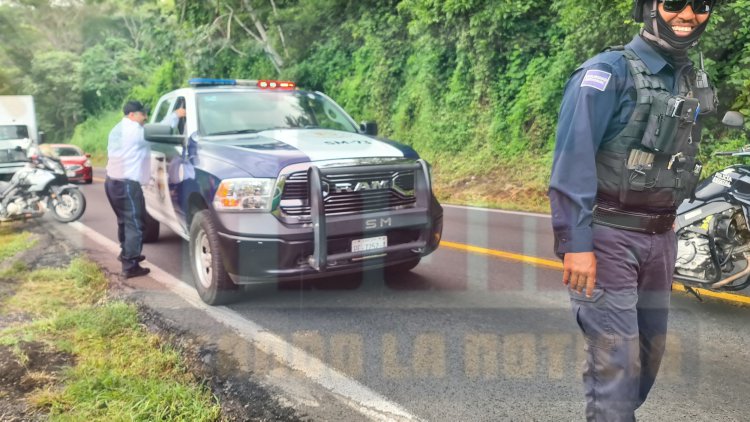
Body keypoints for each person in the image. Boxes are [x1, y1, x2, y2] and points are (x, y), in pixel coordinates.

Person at [548, 0, 717, 420]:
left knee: (646, 360)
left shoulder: (689, 78)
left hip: (660, 239)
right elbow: (573, 160)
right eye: (675, 2)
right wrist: (576, 243)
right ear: (649, 8)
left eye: (701, 5)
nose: (688, 14)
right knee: (617, 370)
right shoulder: (607, 73)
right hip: (608, 238)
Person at [105, 100, 152, 278]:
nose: (145, 118)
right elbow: (155, 136)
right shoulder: (135, 131)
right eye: (142, 114)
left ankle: (126, 253)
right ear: (132, 115)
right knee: (136, 224)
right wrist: (174, 117)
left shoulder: (118, 128)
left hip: (112, 182)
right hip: (126, 184)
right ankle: (130, 265)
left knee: (125, 222)